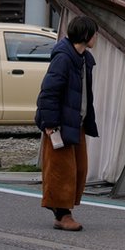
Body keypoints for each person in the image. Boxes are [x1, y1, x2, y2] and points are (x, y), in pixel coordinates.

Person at [35, 16, 100, 231]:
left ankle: (64, 212)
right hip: (59, 124)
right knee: (62, 170)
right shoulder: (63, 58)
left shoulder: (83, 58)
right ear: (86, 35)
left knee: (79, 169)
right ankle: (63, 215)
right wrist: (50, 123)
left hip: (76, 121)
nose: (96, 38)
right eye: (94, 34)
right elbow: (48, 92)